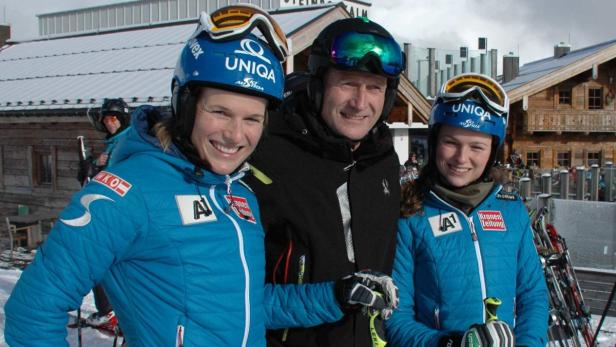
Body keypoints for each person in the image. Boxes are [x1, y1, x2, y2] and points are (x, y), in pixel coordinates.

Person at [4, 5, 398, 346]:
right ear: (187, 105)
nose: (234, 134)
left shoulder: (236, 196)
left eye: (252, 119)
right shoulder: (127, 192)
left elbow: (248, 304)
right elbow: (33, 310)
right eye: (220, 112)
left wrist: (338, 295)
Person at [245, 17, 405, 346]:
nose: (361, 103)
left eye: (374, 87)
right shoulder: (265, 156)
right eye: (347, 83)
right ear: (319, 84)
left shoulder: (383, 162)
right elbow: (232, 297)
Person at [386, 73, 549, 347]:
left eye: (476, 147)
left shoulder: (511, 211)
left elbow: (533, 295)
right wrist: (449, 343)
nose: (462, 158)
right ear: (435, 141)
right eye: (451, 142)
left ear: (492, 151)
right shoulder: (410, 214)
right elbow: (395, 316)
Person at [79, 98, 132, 331]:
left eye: (114, 119)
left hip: (121, 214)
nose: (110, 123)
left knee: (102, 264)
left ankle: (113, 311)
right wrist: (91, 165)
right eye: (107, 119)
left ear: (122, 120)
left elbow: (124, 175)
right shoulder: (114, 142)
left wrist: (102, 166)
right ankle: (112, 310)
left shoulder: (127, 141)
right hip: (108, 211)